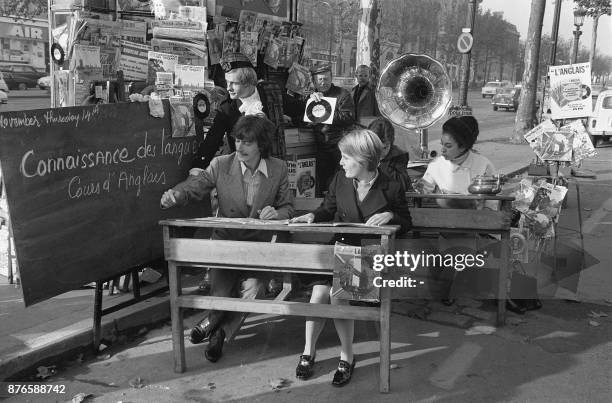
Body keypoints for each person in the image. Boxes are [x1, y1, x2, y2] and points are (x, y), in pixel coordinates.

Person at [161, 115, 294, 363]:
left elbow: (288, 207)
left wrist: (277, 214)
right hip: (226, 244)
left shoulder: (278, 168)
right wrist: (175, 196)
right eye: (237, 140)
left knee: (253, 291)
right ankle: (217, 324)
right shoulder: (221, 164)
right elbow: (196, 186)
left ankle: (218, 331)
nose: (240, 147)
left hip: (260, 246)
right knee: (221, 293)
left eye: (248, 142)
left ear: (261, 145)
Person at [290, 129, 411, 387]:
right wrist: (314, 216)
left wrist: (391, 216)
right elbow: (327, 209)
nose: (340, 162)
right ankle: (308, 351)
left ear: (364, 158)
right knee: (318, 293)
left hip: (369, 255)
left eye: (346, 157)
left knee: (337, 295)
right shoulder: (340, 179)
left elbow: (407, 222)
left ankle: (347, 356)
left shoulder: (391, 184)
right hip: (341, 247)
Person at [192, 52, 275, 174]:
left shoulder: (272, 91)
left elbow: (299, 110)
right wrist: (196, 170)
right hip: (246, 175)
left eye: (234, 83)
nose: (228, 88)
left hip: (275, 169)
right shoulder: (227, 109)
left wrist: (314, 101)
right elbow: (211, 142)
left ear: (248, 81)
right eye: (227, 82)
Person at [417, 116, 496, 209]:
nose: (442, 150)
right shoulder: (435, 165)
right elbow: (424, 194)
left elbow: (493, 201)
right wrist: (421, 189)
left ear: (463, 146)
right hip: (443, 218)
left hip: (477, 218)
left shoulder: (484, 164)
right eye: (442, 144)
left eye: (448, 146)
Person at [309, 65, 355, 196]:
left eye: (326, 79)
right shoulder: (313, 96)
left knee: (341, 179)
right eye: (320, 80)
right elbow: (305, 115)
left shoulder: (342, 94)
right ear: (314, 82)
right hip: (321, 144)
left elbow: (349, 117)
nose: (323, 83)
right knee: (322, 180)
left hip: (339, 145)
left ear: (331, 78)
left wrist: (325, 114)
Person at [367, 117, 413, 191]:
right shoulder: (364, 153)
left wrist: (383, 165)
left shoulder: (399, 155)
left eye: (385, 148)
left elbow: (404, 185)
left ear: (391, 143)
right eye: (377, 147)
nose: (381, 152)